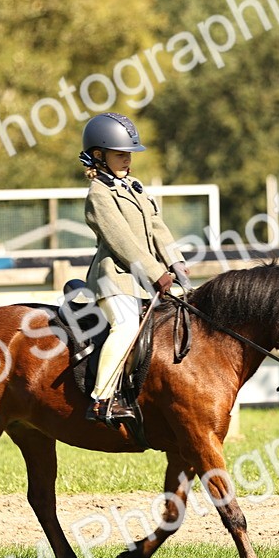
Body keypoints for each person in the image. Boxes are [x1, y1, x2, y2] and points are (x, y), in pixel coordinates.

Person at [79, 112, 193, 424]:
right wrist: (157, 273)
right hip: (114, 278)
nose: (127, 160)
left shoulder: (134, 186)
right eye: (120, 154)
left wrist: (175, 261)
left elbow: (157, 226)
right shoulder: (99, 195)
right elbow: (122, 241)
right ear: (99, 156)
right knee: (126, 327)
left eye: (129, 154)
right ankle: (101, 399)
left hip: (143, 277)